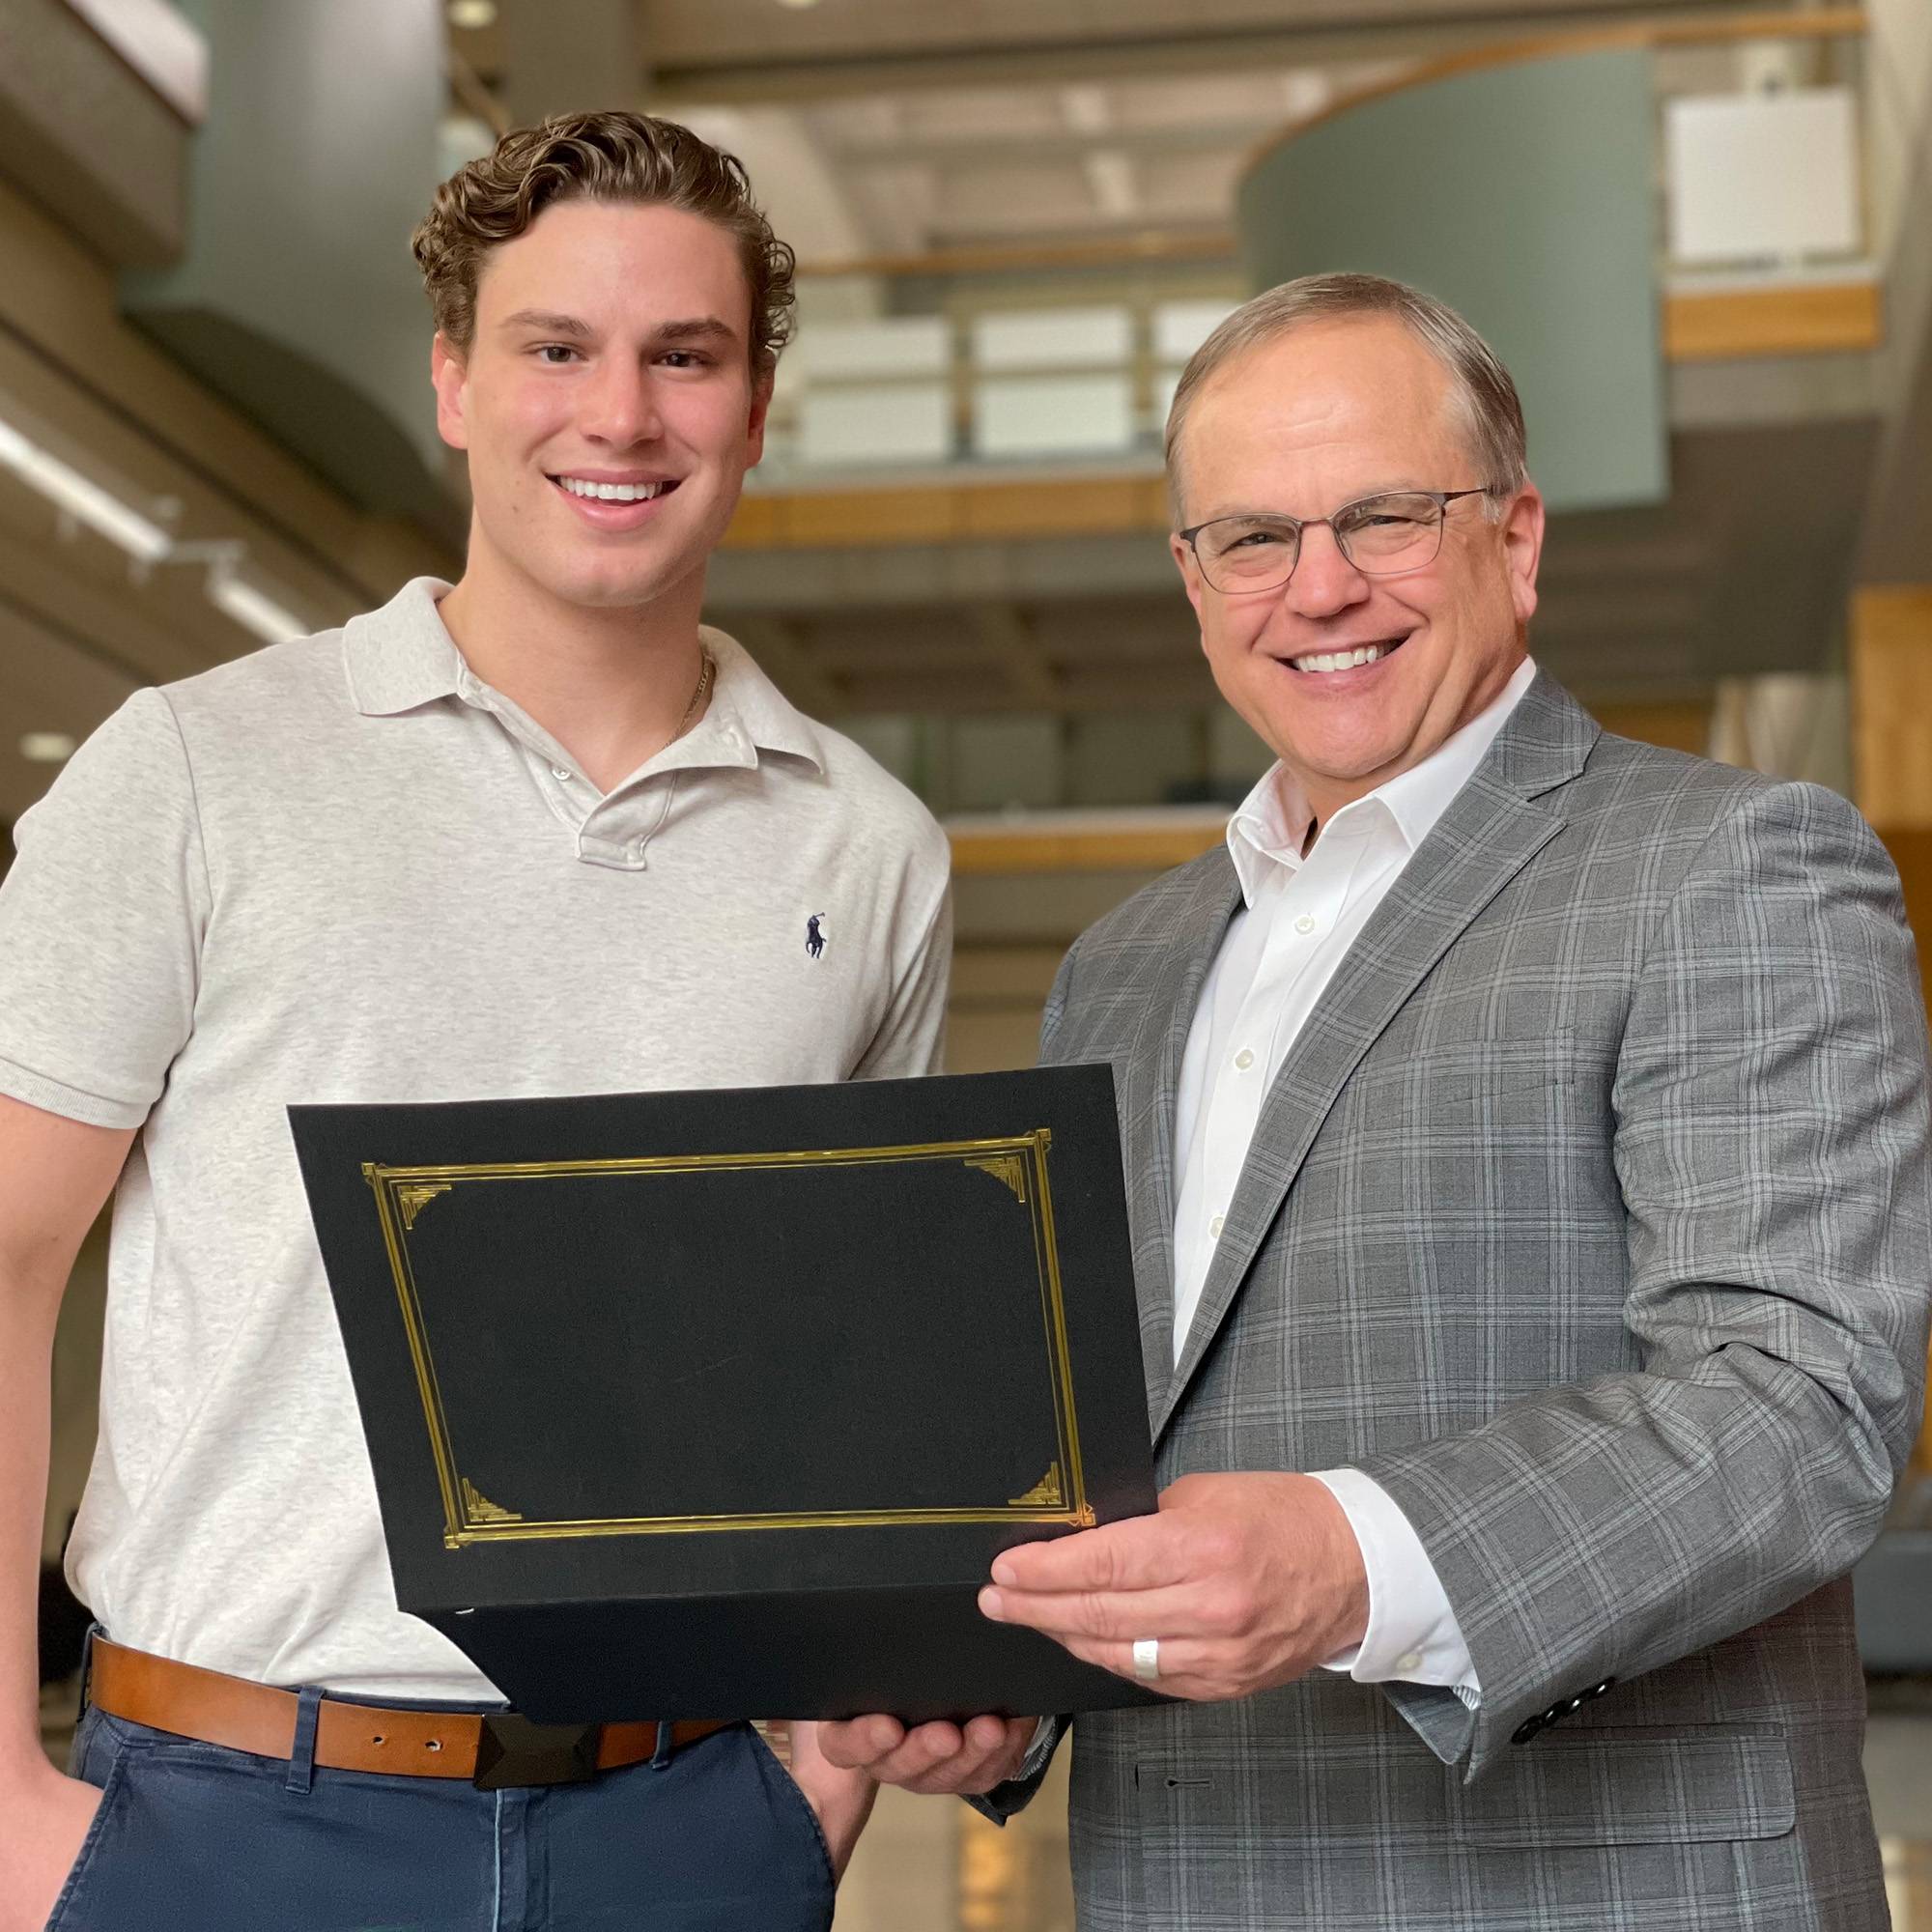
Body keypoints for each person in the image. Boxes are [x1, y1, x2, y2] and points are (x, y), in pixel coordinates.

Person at [822, 273, 1932, 1930]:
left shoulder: (1729, 868)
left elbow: (1803, 1405)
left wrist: (1352, 1563)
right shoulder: (1119, 970)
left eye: (1386, 517)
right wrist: (1000, 1673)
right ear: (1195, 585)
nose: (1319, 586)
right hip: (1186, 1884)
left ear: (1519, 535)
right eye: (1253, 538)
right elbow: (1110, 1449)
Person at [0, 110, 949, 1932]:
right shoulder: (197, 769)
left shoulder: (871, 849)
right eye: (556, 348)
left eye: (687, 356)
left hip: (687, 1822)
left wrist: (812, 1784)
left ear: (756, 408)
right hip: (226, 1820)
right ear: (453, 381)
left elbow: (845, 1384)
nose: (623, 414)